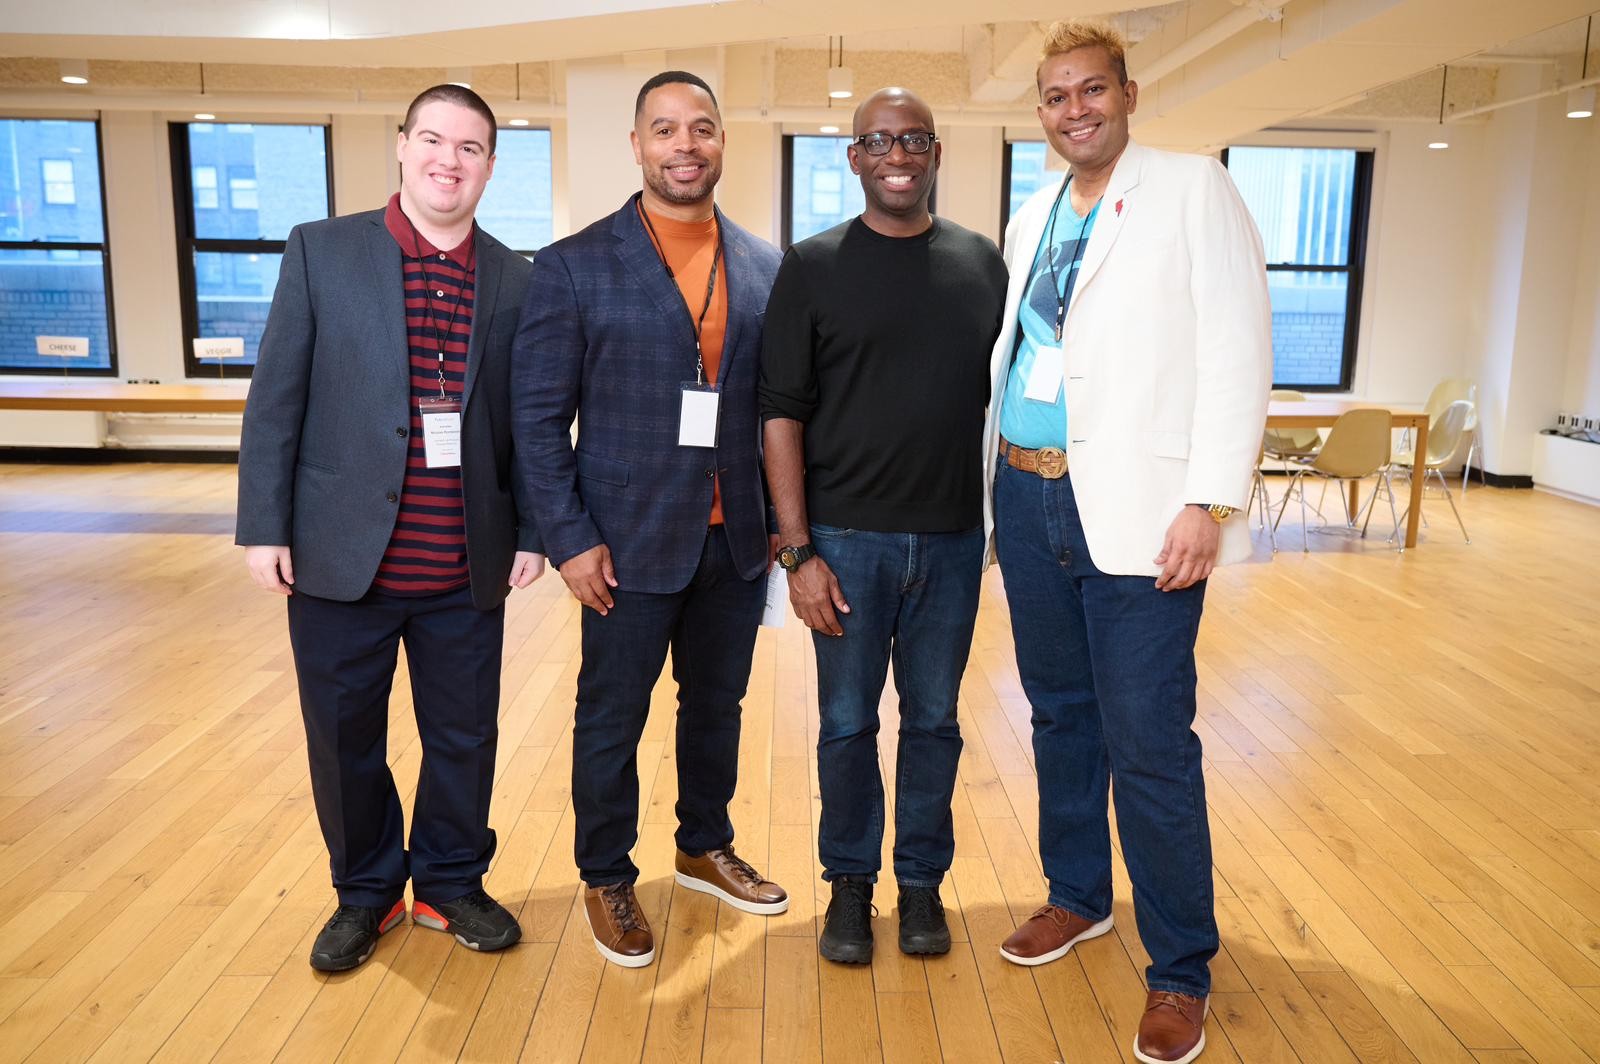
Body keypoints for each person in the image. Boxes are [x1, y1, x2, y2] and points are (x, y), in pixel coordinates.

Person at [982, 19, 1271, 1064]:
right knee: (1060, 716)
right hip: (1028, 496)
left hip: (1145, 514)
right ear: (1041, 112)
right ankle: (1077, 894)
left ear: (1128, 94)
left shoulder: (1193, 189)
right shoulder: (1030, 216)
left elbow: (1238, 349)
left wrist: (1210, 500)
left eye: (1092, 89)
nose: (1076, 110)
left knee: (1148, 738)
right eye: (1057, 96)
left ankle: (1179, 966)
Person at [236, 84, 542, 972]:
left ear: (490, 166)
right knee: (344, 742)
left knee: (464, 739)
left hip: (464, 563)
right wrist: (264, 525)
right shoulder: (322, 250)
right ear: (403, 146)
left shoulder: (517, 278)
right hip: (338, 560)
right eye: (434, 140)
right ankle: (365, 893)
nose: (450, 160)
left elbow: (528, 421)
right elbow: (275, 399)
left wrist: (530, 530)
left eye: (471, 148)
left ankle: (449, 883)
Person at [512, 71, 788, 970]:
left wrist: (779, 521)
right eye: (664, 129)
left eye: (701, 127)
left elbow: (775, 408)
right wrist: (569, 539)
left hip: (733, 540)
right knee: (612, 714)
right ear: (637, 145)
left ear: (721, 141)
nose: (684, 145)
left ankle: (703, 844)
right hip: (621, 545)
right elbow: (537, 421)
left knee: (716, 705)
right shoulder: (574, 264)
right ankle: (606, 874)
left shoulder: (764, 265)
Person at [760, 88, 1008, 965]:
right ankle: (850, 885)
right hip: (846, 543)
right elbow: (779, 414)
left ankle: (921, 885)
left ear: (936, 152)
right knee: (846, 724)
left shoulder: (983, 264)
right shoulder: (812, 266)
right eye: (878, 141)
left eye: (913, 140)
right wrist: (798, 551)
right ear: (854, 158)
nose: (896, 155)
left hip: (952, 541)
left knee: (935, 722)